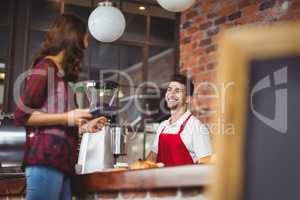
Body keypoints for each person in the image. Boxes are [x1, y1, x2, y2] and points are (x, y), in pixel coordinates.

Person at [14, 14, 106, 200]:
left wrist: (83, 126)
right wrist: (68, 117)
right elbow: (21, 115)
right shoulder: (46, 67)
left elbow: (58, 122)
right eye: (84, 40)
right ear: (73, 39)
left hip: (62, 163)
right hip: (46, 160)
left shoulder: (59, 74)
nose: (84, 48)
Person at [146, 74, 213, 166]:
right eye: (169, 89)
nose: (171, 94)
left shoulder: (196, 127)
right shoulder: (163, 126)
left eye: (177, 91)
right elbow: (152, 159)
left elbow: (206, 163)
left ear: (188, 99)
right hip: (161, 180)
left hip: (185, 180)